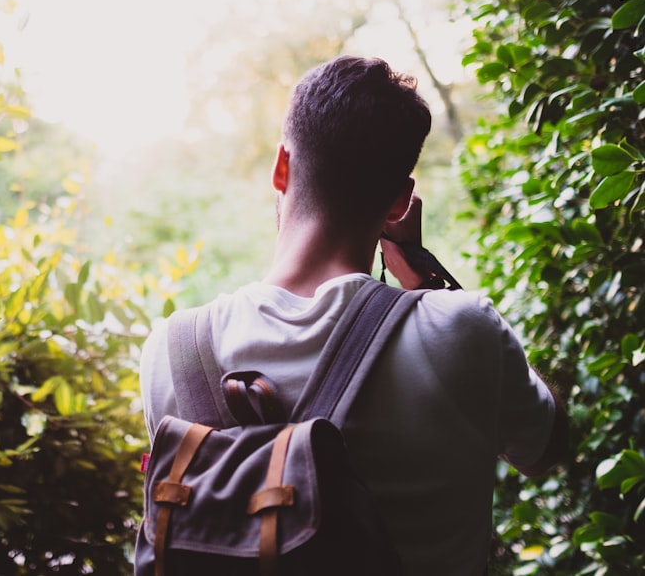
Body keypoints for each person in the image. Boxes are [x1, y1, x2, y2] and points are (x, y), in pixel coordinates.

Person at [138, 55, 568, 575]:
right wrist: (425, 278)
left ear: (281, 167)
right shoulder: (462, 329)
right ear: (400, 203)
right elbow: (546, 447)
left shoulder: (171, 350)